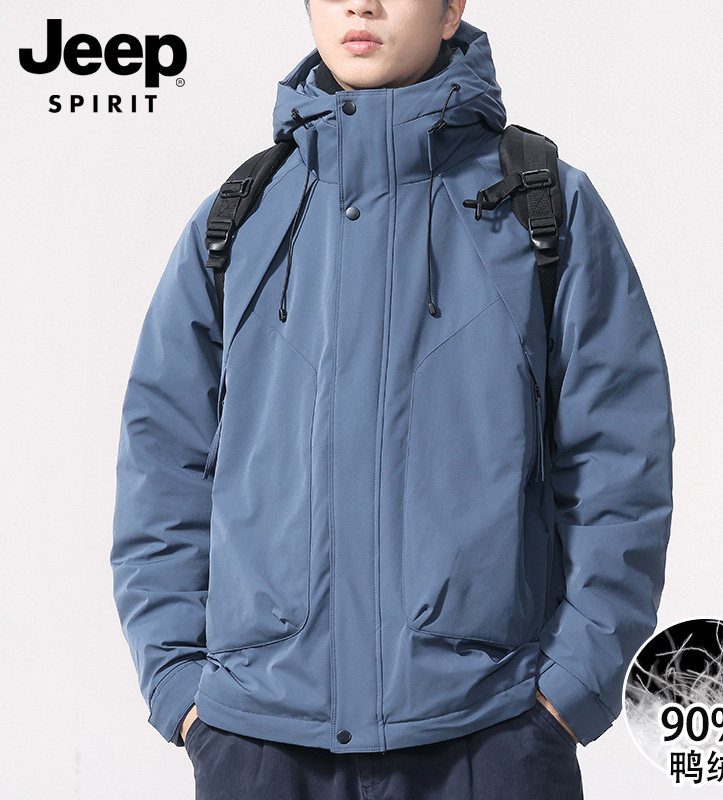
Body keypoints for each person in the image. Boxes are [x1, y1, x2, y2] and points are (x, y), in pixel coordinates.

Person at [110, 1, 675, 797]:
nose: (361, 4)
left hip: (489, 734)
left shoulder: (544, 206)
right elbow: (163, 463)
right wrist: (180, 687)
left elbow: (620, 461)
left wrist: (569, 690)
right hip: (262, 744)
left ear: (452, 9)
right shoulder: (239, 217)